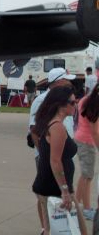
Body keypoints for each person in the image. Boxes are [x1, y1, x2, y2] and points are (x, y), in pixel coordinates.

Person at [32, 85, 87, 235]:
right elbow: (55, 161)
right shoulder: (57, 127)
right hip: (55, 190)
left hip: (49, 187)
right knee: (76, 230)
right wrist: (64, 191)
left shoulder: (48, 122)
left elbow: (36, 138)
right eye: (72, 102)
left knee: (54, 230)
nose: (76, 105)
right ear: (60, 105)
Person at [29, 67, 76, 234]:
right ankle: (45, 228)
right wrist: (45, 153)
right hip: (51, 162)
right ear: (58, 82)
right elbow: (34, 130)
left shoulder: (64, 108)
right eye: (66, 79)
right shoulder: (42, 100)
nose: (70, 83)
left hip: (60, 160)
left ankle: (47, 228)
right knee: (49, 205)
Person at [74, 83, 99, 220]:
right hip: (87, 142)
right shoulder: (94, 105)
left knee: (85, 175)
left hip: (80, 138)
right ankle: (87, 209)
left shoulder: (85, 100)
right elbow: (95, 132)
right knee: (87, 176)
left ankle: (76, 206)